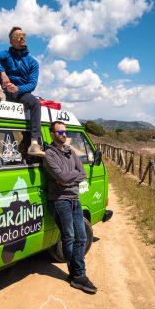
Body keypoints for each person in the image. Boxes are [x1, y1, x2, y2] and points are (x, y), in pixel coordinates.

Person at [43, 121, 97, 294]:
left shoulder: (70, 152)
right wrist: (68, 177)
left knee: (81, 237)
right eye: (60, 132)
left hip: (74, 199)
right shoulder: (49, 155)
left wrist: (68, 179)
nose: (64, 135)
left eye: (65, 132)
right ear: (52, 134)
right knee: (69, 237)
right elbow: (61, 176)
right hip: (60, 200)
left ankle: (76, 274)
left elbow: (82, 173)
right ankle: (78, 275)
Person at [0, 26, 44, 157]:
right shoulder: (6, 55)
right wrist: (3, 73)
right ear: (11, 41)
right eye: (17, 36)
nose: (22, 37)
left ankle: (34, 143)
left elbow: (32, 84)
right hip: (4, 89)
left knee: (35, 103)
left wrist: (18, 89)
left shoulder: (33, 62)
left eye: (23, 35)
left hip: (21, 92)